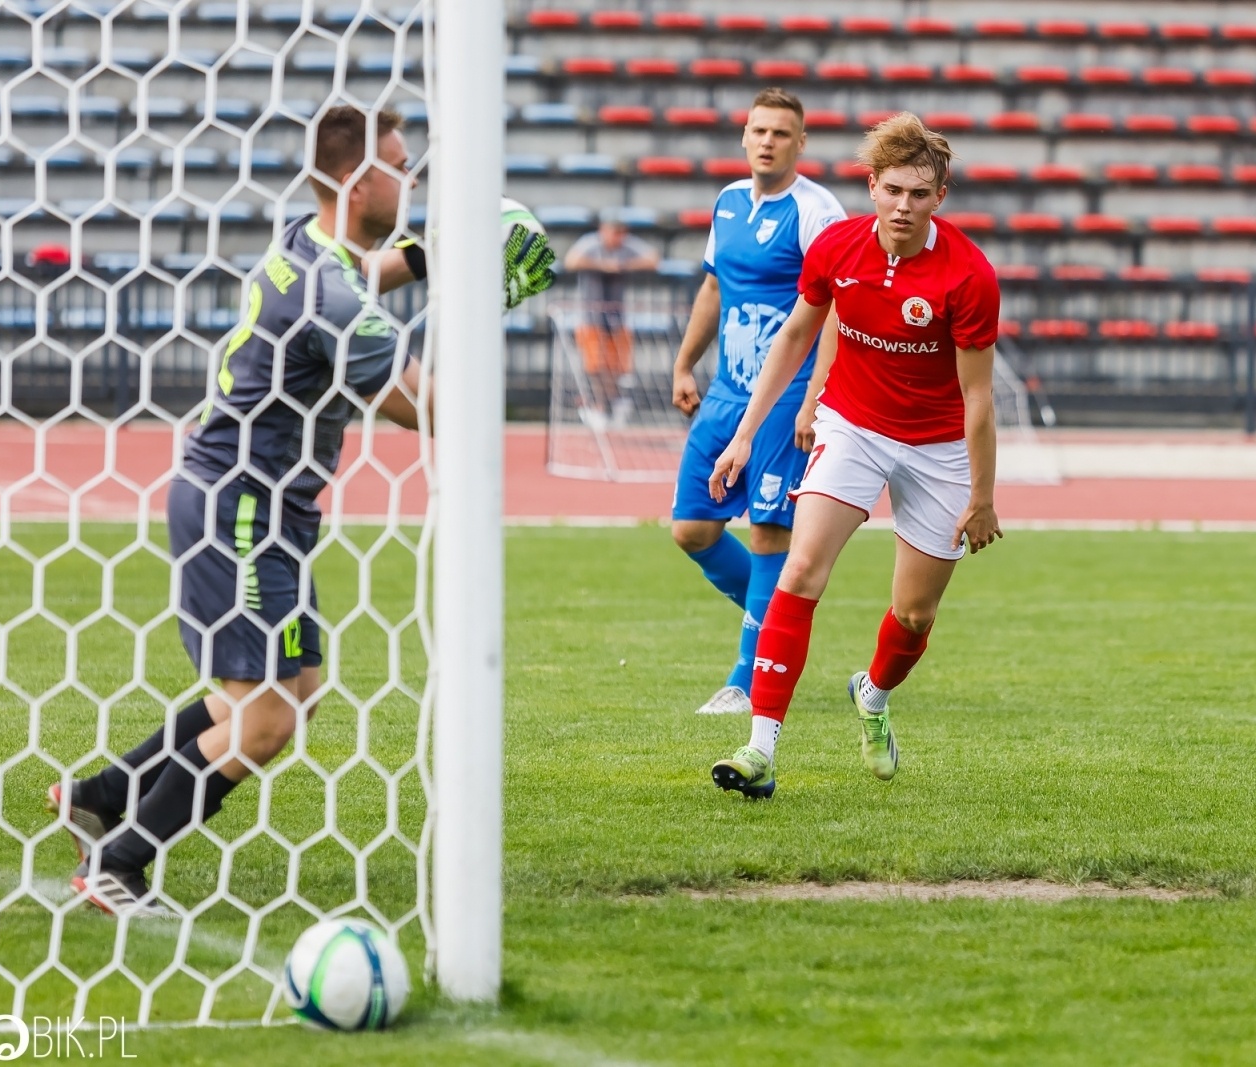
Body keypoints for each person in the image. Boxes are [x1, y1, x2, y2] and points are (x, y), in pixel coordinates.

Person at [46, 105, 554, 915]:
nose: (410, 177)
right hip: (242, 511)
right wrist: (485, 303)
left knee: (295, 685)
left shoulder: (306, 247)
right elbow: (425, 408)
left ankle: (105, 794)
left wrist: (431, 256)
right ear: (356, 182)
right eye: (397, 165)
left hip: (248, 504)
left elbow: (364, 272)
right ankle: (120, 861)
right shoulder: (333, 296)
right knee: (268, 722)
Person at [705, 112, 1003, 799]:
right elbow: (792, 339)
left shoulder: (968, 276)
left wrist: (982, 497)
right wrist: (747, 434)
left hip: (939, 446)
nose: (903, 206)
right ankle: (759, 750)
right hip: (854, 424)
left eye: (919, 194)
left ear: (940, 197)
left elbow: (979, 398)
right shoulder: (837, 249)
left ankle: (871, 695)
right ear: (870, 186)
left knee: (915, 616)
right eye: (892, 190)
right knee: (802, 566)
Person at [671, 87, 846, 716]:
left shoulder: (817, 211)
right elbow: (714, 288)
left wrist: (814, 397)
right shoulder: (726, 204)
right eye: (758, 130)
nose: (767, 141)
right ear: (744, 138)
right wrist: (685, 361)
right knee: (691, 529)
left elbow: (832, 309)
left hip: (786, 396)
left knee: (770, 530)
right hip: (726, 392)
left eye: (780, 132)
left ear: (801, 143)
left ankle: (747, 678)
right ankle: (780, 622)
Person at [564, 213, 659, 426]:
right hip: (590, 316)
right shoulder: (590, 244)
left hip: (617, 316)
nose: (618, 239)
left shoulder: (627, 247)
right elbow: (571, 261)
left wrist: (623, 265)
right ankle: (597, 404)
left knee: (617, 366)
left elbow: (653, 259)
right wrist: (602, 265)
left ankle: (612, 403)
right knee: (595, 365)